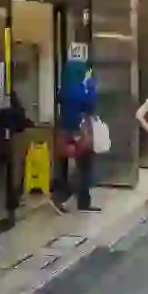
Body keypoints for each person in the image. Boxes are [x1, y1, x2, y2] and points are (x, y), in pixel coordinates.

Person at [54, 60, 99, 212]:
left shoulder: (64, 90)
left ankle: (60, 196)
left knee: (65, 164)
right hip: (80, 131)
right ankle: (82, 200)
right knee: (85, 166)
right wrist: (91, 86)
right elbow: (91, 104)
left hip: (65, 130)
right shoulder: (83, 89)